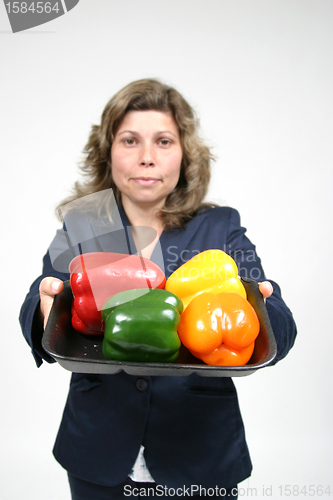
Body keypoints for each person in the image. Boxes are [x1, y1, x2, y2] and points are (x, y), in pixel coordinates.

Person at [19, 79, 297, 500]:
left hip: (200, 450)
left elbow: (281, 325)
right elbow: (37, 304)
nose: (147, 157)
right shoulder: (83, 225)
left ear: (184, 155)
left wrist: (262, 306)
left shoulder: (220, 226)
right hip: (98, 448)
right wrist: (44, 310)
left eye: (163, 141)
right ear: (107, 151)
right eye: (130, 140)